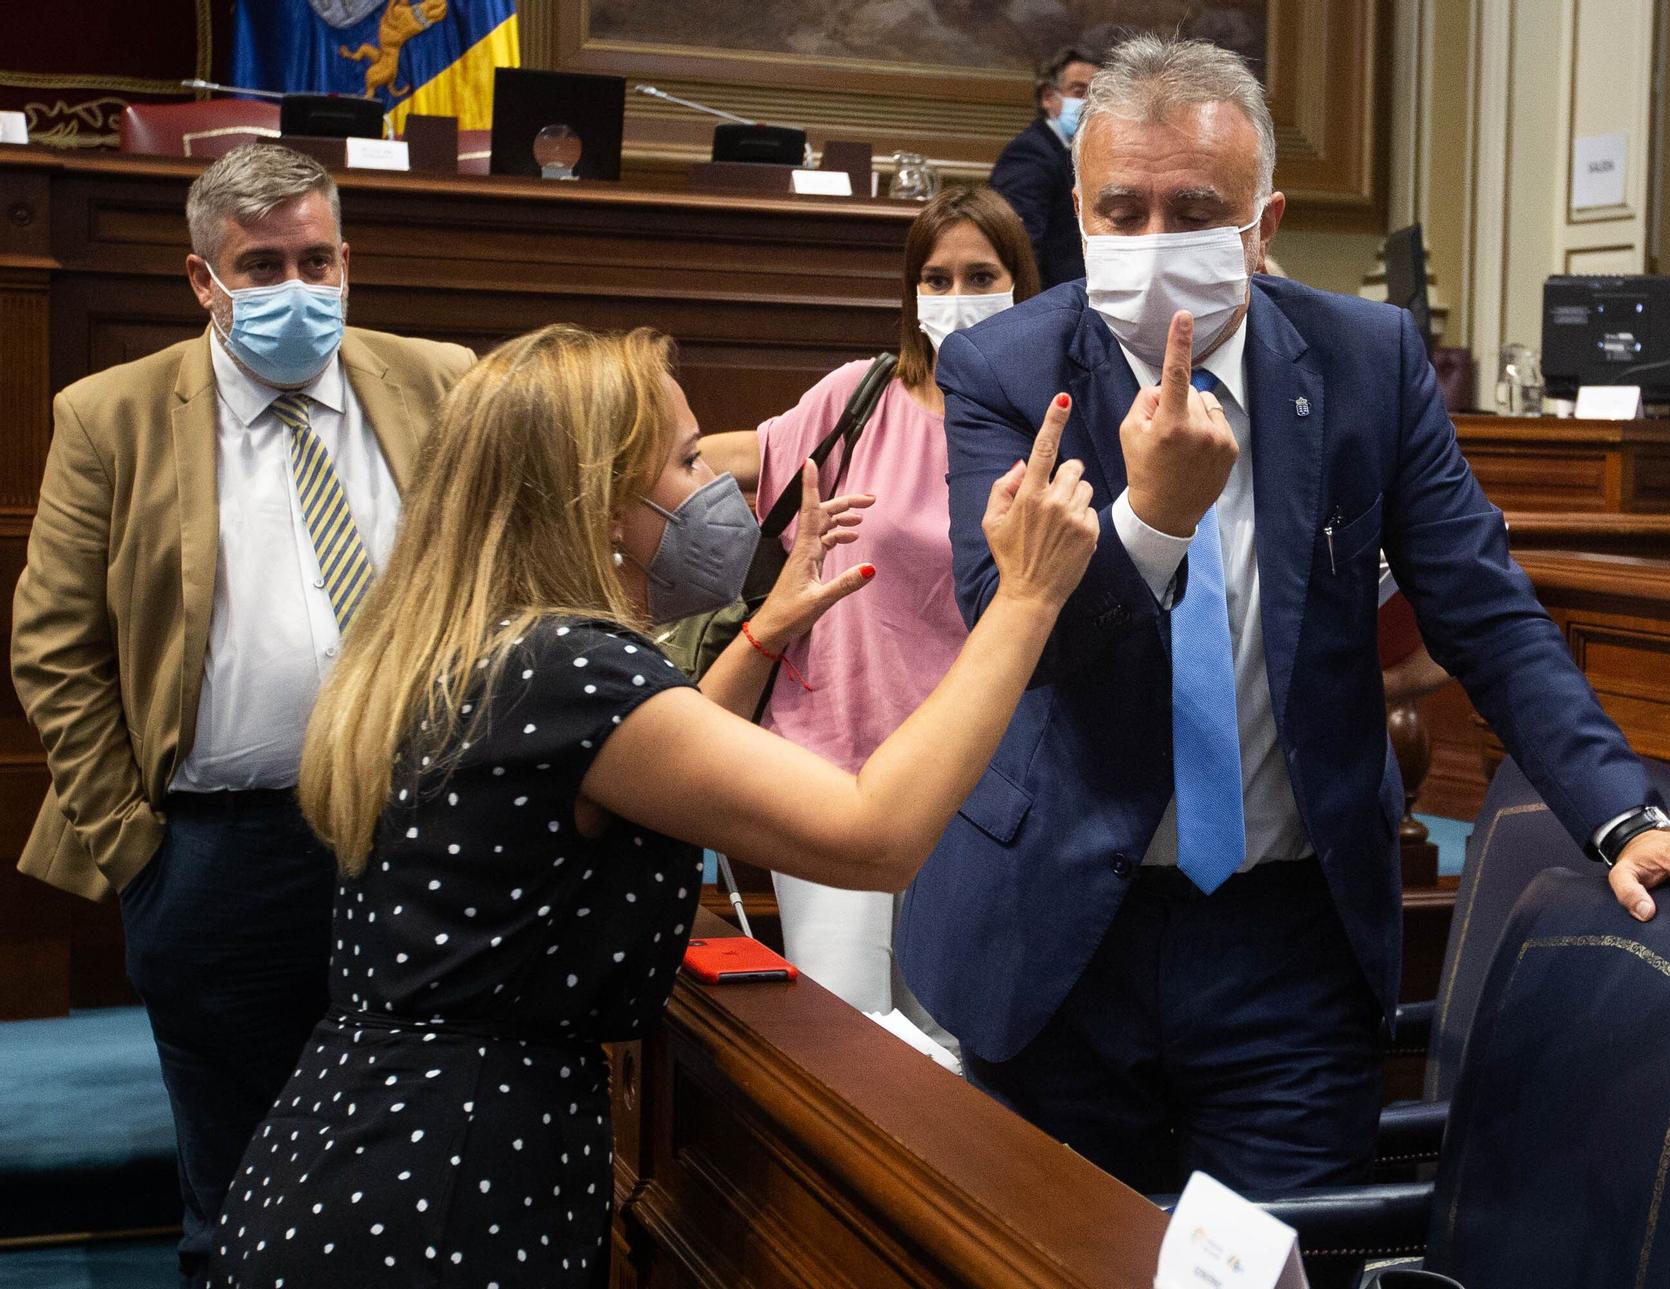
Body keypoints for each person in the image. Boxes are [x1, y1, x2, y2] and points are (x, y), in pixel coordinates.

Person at [899, 35, 1670, 1196]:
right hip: (1057, 933)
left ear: (1262, 223)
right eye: (1120, 211)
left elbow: (1480, 607)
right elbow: (1008, 642)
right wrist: (1153, 523)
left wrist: (1621, 817)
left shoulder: (1364, 359)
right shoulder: (1010, 372)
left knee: (1278, 1258)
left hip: (1288, 942)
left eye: (1194, 209)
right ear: (1075, 211)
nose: (1154, 241)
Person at [211, 323, 1096, 1288]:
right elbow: (873, 833)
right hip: (448, 1187)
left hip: (354, 1144)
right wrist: (1027, 598)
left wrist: (766, 631)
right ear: (602, 506)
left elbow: (639, 773)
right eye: (683, 461)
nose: (715, 487)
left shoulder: (480, 644)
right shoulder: (571, 668)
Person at [8, 143, 474, 1288]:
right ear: (201, 280)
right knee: (238, 1181)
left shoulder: (440, 381)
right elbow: (54, 643)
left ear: (349, 259)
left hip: (415, 836)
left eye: (316, 258)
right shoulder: (111, 414)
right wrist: (134, 845)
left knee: (411, 1156)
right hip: (216, 853)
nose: (295, 287)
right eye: (260, 267)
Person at [698, 186, 1037, 1032]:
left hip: (969, 774)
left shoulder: (1049, 418)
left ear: (1021, 283)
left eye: (980, 275)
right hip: (829, 760)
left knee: (955, 1044)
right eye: (937, 277)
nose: (956, 297)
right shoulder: (862, 393)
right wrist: (605, 448)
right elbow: (750, 455)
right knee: (842, 1036)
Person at [989, 44, 1101, 290]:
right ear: (1049, 98)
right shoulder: (1029, 154)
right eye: (1079, 91)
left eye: (1097, 94)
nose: (1089, 102)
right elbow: (1018, 247)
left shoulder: (1080, 154)